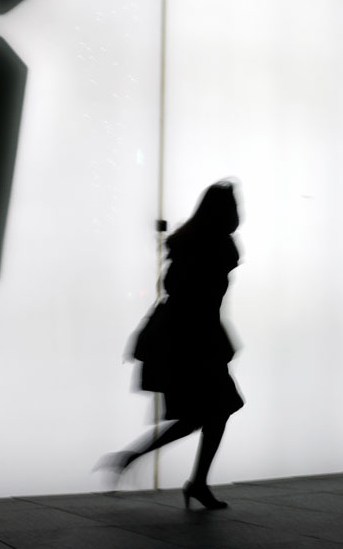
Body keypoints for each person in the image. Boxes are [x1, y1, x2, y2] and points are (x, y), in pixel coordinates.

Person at [102, 181, 245, 510]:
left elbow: (181, 294)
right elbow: (203, 300)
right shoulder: (217, 246)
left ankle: (153, 465)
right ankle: (192, 481)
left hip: (184, 339)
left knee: (207, 413)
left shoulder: (191, 243)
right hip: (196, 341)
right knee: (215, 410)